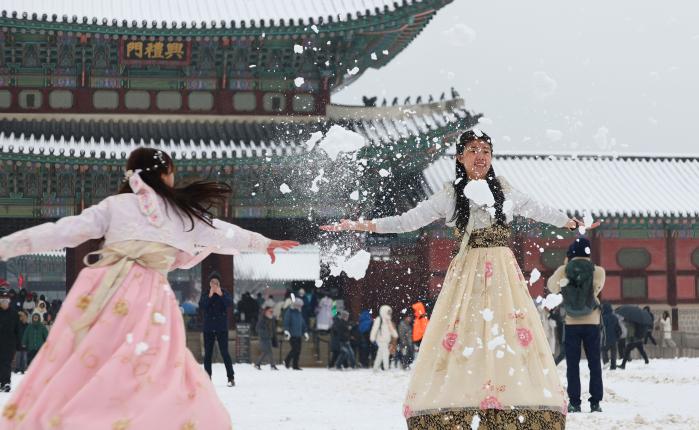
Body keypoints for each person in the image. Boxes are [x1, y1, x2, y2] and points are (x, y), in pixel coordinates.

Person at [0, 147, 298, 428]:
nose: (173, 178)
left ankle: (77, 414)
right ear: (162, 173)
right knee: (153, 364)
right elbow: (222, 233)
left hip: (103, 289)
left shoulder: (115, 206)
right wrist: (263, 243)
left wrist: (6, 246)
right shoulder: (178, 212)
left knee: (90, 356)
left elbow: (62, 232)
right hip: (148, 297)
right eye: (171, 172)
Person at [321, 130, 592, 428]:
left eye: (486, 150)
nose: (481, 156)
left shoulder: (503, 189)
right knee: (467, 333)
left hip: (503, 274)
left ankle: (511, 401)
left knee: (506, 332)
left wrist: (569, 222)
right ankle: (462, 403)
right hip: (468, 274)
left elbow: (536, 208)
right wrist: (362, 225)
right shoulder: (451, 194)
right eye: (473, 150)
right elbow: (408, 221)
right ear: (460, 157)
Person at [547, 237, 606, 413]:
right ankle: (595, 402)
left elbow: (551, 287)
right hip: (592, 322)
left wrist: (565, 266)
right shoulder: (598, 271)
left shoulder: (564, 270)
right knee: (594, 363)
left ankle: (575, 402)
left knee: (572, 365)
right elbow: (596, 290)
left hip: (571, 322)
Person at [199, 272, 236, 387]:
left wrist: (221, 294)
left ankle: (231, 377)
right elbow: (202, 305)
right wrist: (210, 296)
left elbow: (230, 303)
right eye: (212, 282)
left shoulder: (224, 293)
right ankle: (207, 377)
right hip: (209, 328)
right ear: (210, 284)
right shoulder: (206, 293)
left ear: (219, 284)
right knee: (208, 354)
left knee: (225, 353)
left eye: (216, 283)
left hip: (221, 328)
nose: (214, 285)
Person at [0, 288, 21, 392]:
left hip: (9, 343)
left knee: (6, 363)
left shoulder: (14, 313)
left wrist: (18, 344)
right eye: (2, 298)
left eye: (6, 298)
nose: (4, 300)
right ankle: (1, 382)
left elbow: (18, 329)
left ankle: (6, 382)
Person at [369, 305, 398, 371]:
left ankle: (375, 368)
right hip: (380, 340)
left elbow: (392, 330)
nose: (389, 313)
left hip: (386, 341)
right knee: (386, 353)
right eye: (388, 312)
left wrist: (395, 335)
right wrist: (372, 338)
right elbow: (374, 329)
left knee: (380, 355)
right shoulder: (379, 319)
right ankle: (386, 368)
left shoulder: (388, 320)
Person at [283, 298, 309, 370]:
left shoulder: (299, 312)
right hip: (292, 334)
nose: (300, 307)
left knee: (298, 351)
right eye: (299, 305)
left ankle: (295, 365)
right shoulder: (289, 312)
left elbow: (302, 323)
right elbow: (286, 322)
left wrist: (305, 332)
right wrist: (286, 331)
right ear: (295, 305)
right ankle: (286, 360)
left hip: (299, 334)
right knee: (295, 349)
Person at [255, 306, 279, 370]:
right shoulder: (262, 319)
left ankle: (258, 364)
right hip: (263, 338)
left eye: (272, 311)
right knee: (267, 351)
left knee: (266, 352)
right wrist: (265, 334)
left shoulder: (272, 319)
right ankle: (272, 365)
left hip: (269, 338)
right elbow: (257, 328)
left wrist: (274, 337)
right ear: (266, 312)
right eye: (270, 311)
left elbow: (273, 329)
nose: (271, 313)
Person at [601, 303, 621, 370]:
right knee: (613, 352)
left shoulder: (603, 318)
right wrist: (618, 336)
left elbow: (600, 327)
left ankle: (606, 362)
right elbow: (618, 328)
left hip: (606, 338)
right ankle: (613, 366)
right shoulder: (615, 317)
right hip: (614, 338)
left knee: (604, 350)